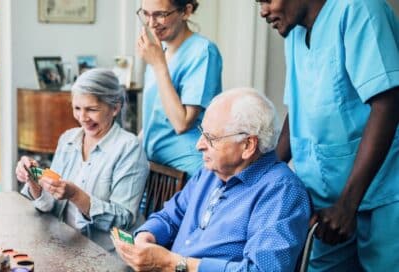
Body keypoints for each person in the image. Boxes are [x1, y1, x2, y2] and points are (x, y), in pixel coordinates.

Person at [257, 0, 399, 270]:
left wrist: (348, 203)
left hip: (383, 196)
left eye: (267, 0)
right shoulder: (294, 32)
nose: (263, 11)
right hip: (325, 201)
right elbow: (297, 108)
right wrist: (260, 174)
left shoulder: (359, 9)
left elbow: (387, 102)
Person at [113, 88, 311, 271]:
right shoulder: (210, 172)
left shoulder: (280, 191)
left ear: (248, 145)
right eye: (202, 133)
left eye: (210, 138)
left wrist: (174, 263)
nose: (199, 145)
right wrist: (145, 237)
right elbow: (169, 216)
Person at [15, 69, 149, 251]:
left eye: (92, 110)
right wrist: (34, 181)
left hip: (105, 255)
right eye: (77, 108)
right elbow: (49, 206)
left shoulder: (128, 148)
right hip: (65, 244)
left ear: (115, 108)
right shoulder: (68, 139)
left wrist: (76, 195)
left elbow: (123, 220)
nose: (83, 118)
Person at [137, 0, 222, 177]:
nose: (151, 23)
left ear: (186, 11)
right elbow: (155, 115)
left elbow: (182, 123)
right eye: (146, 14)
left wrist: (159, 65)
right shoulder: (160, 52)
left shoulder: (202, 51)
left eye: (160, 14)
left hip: (187, 168)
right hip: (154, 167)